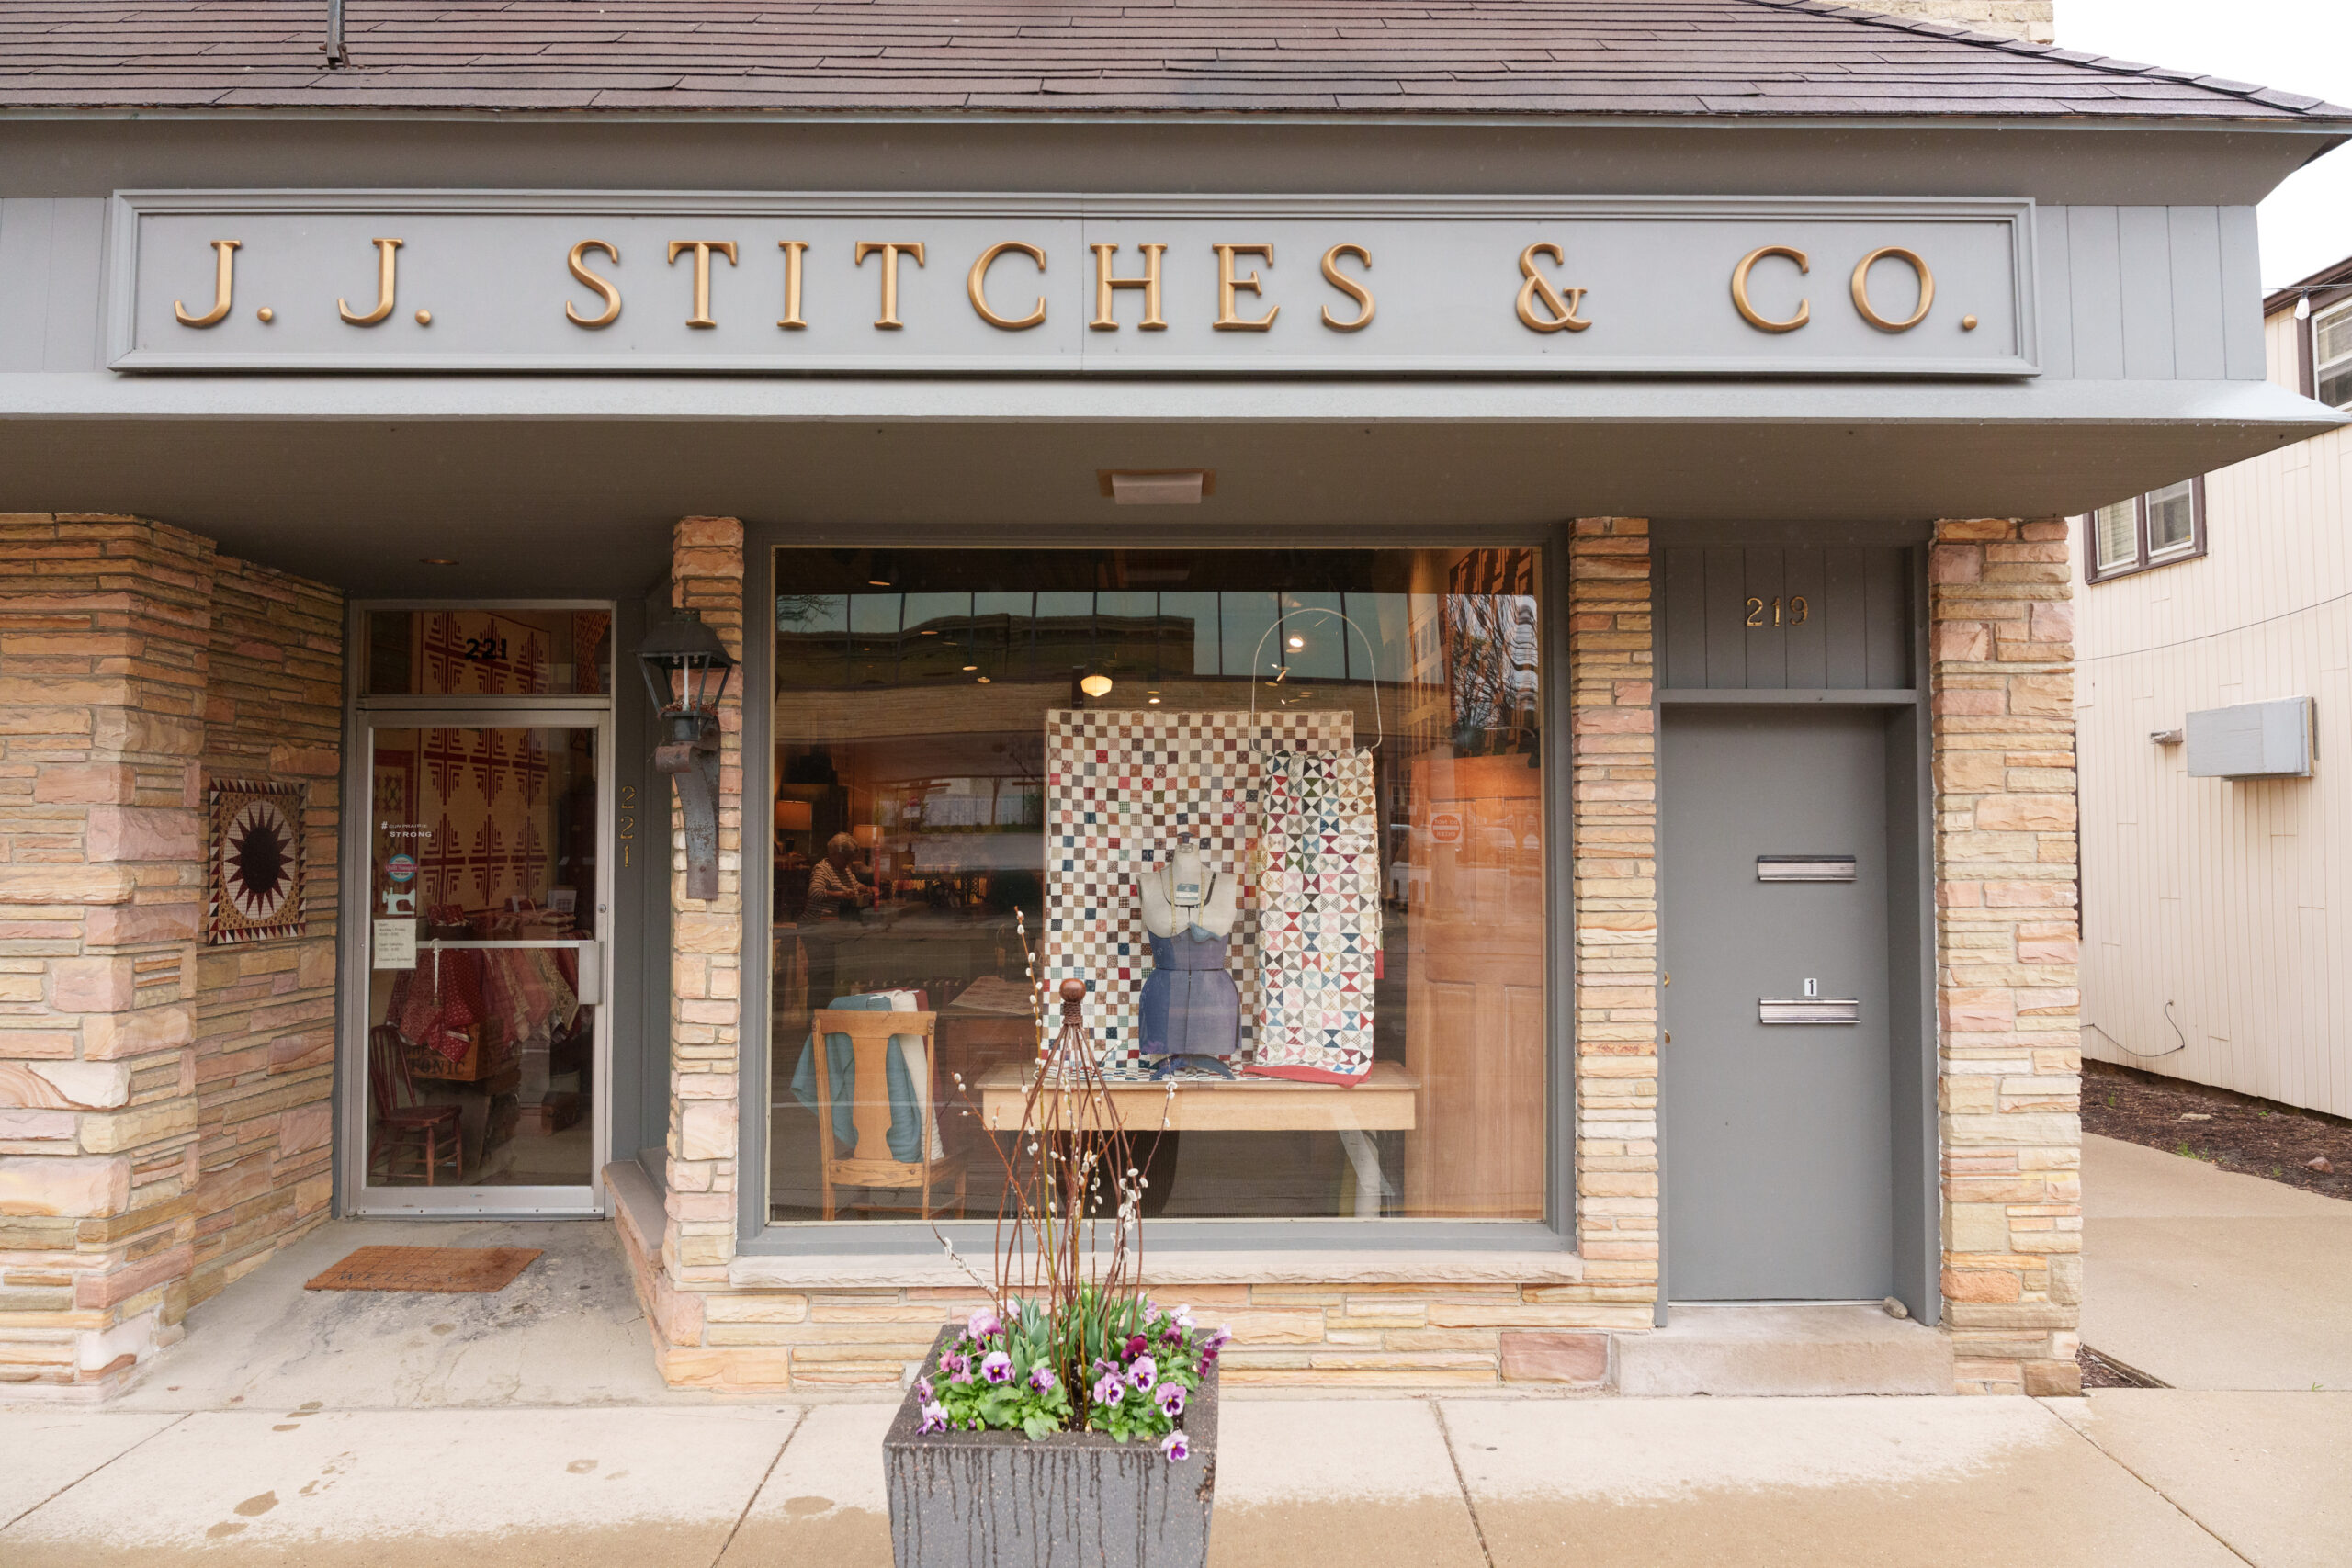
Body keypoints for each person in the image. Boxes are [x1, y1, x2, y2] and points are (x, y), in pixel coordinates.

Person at [805, 832, 872, 922]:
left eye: (850, 858)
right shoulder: (823, 869)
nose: (848, 862)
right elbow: (814, 892)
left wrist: (865, 889)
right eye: (845, 858)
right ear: (833, 853)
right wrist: (841, 895)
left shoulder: (844, 869)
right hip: (818, 921)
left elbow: (853, 883)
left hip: (839, 918)